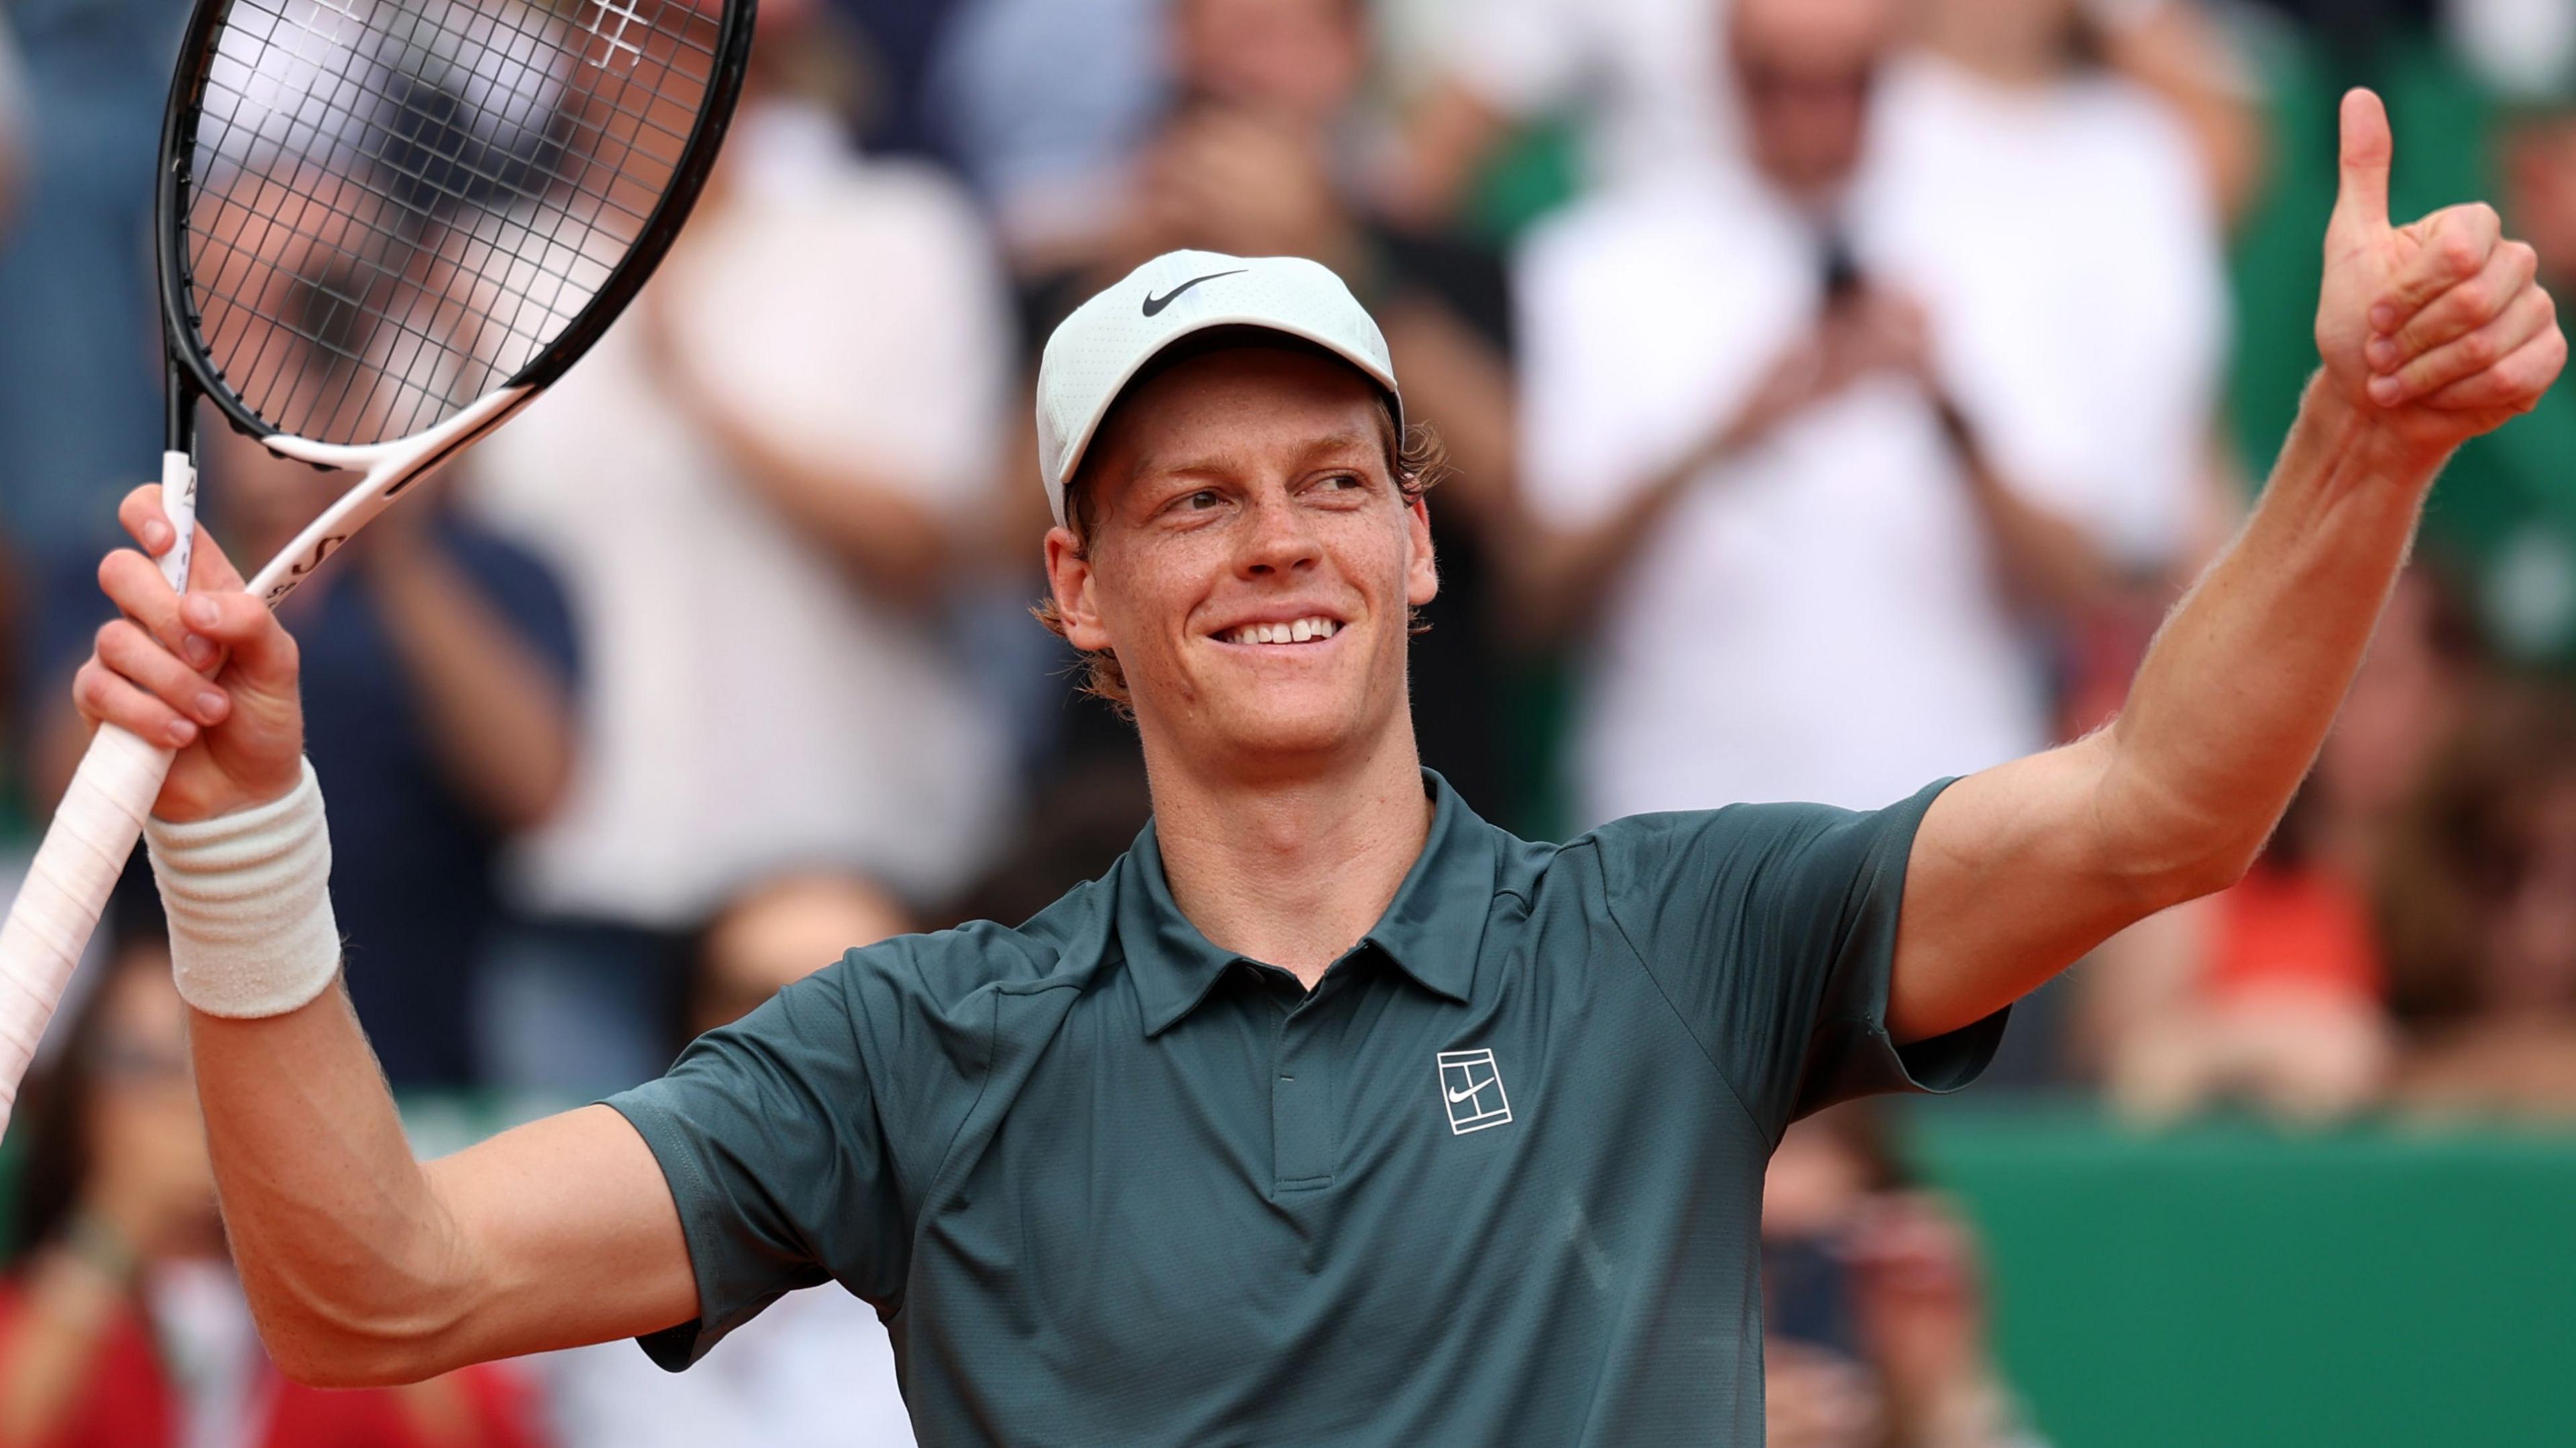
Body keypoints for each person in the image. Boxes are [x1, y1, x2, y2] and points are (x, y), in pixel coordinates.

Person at [64, 87, 2565, 1443]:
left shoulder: (1675, 941)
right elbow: (376, 1284)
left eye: (1333, 479)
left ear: (1420, 543)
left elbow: (2164, 810)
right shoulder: (921, 1052)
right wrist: (244, 827)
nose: (1280, 541)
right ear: (1076, 588)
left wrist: (2353, 451)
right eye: (1191, 497)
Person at [464, 0, 1016, 1095]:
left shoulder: (899, 233)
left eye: (676, 33)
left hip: (844, 893)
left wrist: (702, 392)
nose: (630, 61)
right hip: (587, 892)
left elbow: (923, 550)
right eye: (605, 28)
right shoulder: (500, 268)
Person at [28, 419, 578, 1093]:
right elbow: (56, 793)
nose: (282, 438)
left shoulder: (496, 570)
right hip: (170, 1085)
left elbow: (536, 789)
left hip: (423, 1078)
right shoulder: (119, 565)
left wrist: (390, 539)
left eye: (320, 380)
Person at [0, 923, 545, 1447]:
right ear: (79, 1098)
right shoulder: (39, 1303)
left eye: (205, 1066)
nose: (180, 1099)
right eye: (142, 1062)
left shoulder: (329, 1303)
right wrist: (113, 1226)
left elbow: (477, 1434)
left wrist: (340, 1228)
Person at [535, 873, 917, 1448]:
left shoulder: (1019, 1279)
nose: (810, 1043)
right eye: (762, 1000)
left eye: (858, 1000)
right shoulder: (587, 1281)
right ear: (691, 1029)